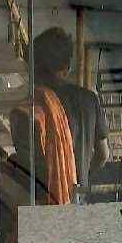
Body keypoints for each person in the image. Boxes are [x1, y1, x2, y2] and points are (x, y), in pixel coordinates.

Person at [31, 28, 110, 187]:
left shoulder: (34, 104)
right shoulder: (89, 100)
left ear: (35, 68)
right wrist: (82, 177)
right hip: (77, 192)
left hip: (45, 197)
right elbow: (103, 155)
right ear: (67, 68)